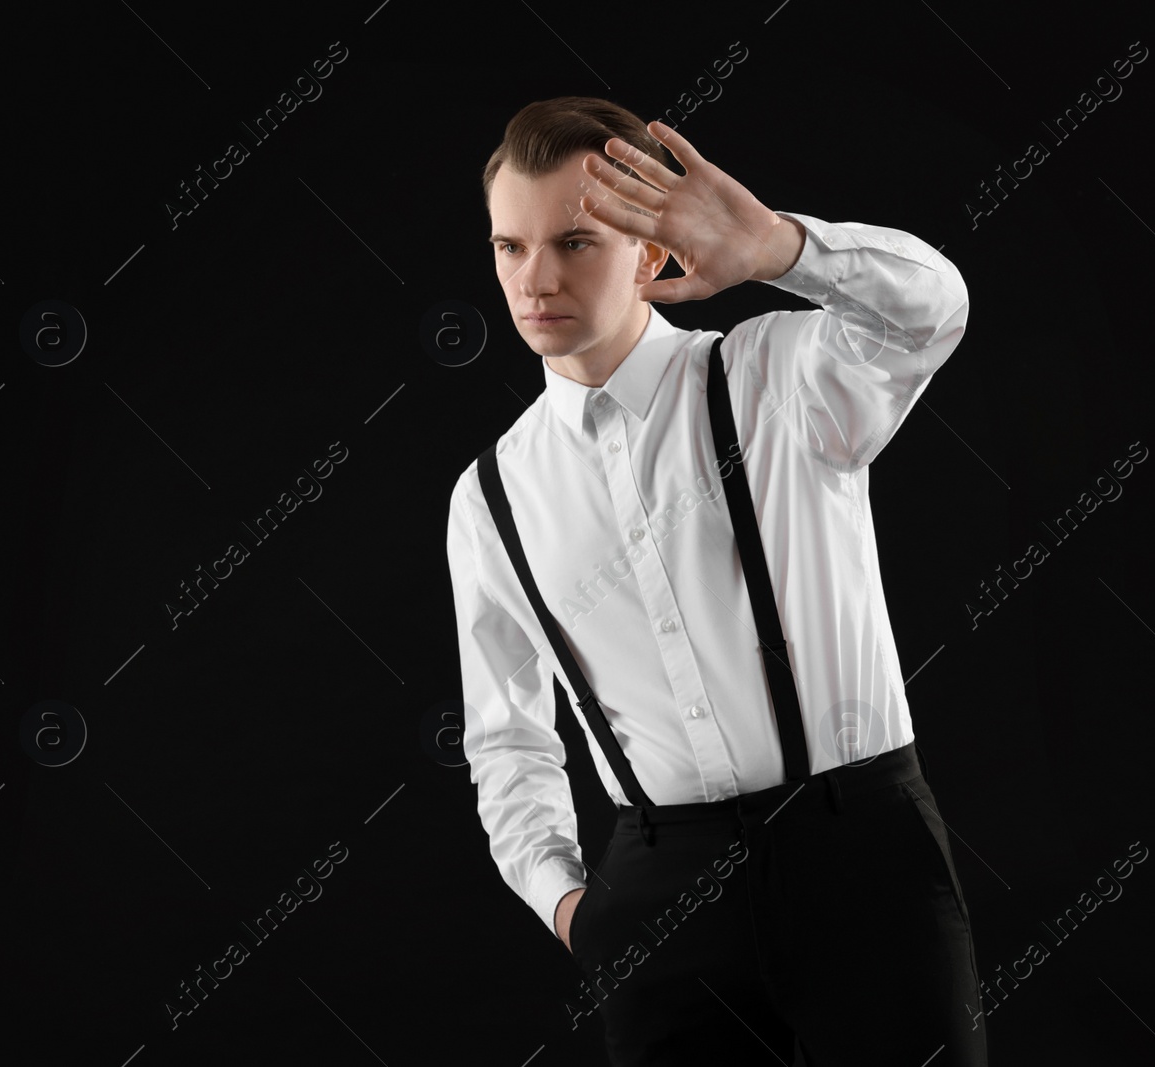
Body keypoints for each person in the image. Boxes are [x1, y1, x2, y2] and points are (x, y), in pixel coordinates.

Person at [445, 95, 986, 1066]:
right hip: (657, 893)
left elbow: (932, 309)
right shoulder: (491, 493)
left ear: (651, 254)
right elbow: (506, 734)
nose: (535, 279)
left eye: (574, 241)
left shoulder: (774, 376)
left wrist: (782, 248)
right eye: (509, 247)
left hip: (858, 853)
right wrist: (570, 904)